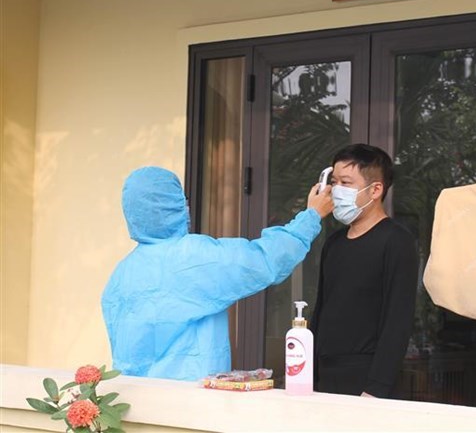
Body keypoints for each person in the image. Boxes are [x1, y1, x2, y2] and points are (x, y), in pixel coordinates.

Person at [101, 166, 333, 381]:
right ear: (173, 206)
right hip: (190, 401)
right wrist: (311, 216)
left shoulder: (121, 274)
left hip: (138, 403)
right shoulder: (192, 257)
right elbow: (264, 259)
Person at [310, 144, 417, 398]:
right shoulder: (334, 242)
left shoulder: (397, 241)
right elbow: (322, 308)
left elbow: (398, 319)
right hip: (325, 374)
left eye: (346, 183)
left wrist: (376, 387)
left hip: (366, 376)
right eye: (333, 182)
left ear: (376, 189)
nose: (336, 191)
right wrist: (308, 374)